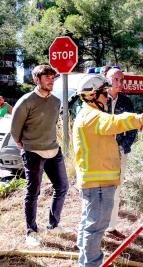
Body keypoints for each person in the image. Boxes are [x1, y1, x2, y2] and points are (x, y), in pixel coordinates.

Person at [73, 74, 143, 267]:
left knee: (88, 225)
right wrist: (140, 119)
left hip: (95, 183)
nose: (107, 97)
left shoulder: (86, 114)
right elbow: (115, 122)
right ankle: (90, 264)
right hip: (99, 185)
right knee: (95, 228)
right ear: (92, 95)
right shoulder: (92, 117)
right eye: (103, 93)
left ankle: (85, 262)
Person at [10, 65, 69, 247]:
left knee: (62, 186)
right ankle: (31, 231)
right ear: (37, 80)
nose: (51, 80)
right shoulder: (26, 101)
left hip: (53, 149)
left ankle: (53, 225)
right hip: (33, 152)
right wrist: (24, 144)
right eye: (47, 77)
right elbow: (14, 129)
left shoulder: (56, 101)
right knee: (33, 192)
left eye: (53, 77)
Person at [105, 67, 137, 234]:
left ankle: (111, 225)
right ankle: (99, 223)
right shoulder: (99, 99)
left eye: (121, 80)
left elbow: (132, 127)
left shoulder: (126, 102)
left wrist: (124, 146)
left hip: (118, 149)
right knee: (100, 187)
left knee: (117, 186)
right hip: (100, 150)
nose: (119, 83)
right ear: (107, 80)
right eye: (116, 79)